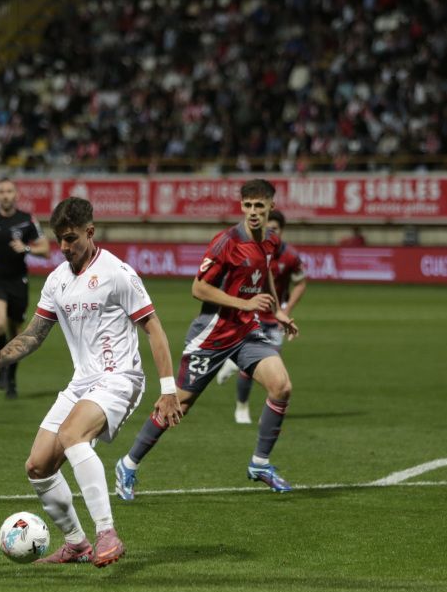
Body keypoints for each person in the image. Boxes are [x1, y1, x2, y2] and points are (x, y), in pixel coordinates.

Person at [0, 197, 180, 567]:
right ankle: (76, 544)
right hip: (82, 382)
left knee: (73, 434)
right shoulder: (57, 280)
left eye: (71, 238)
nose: (64, 246)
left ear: (90, 232)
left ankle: (107, 533)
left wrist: (168, 391)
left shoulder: (117, 273)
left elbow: (154, 329)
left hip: (119, 378)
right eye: (59, 239)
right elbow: (33, 335)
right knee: (38, 466)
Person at [115, 179, 299, 498]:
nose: (253, 212)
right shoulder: (226, 242)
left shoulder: (270, 240)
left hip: (247, 331)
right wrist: (244, 303)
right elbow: (198, 288)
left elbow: (266, 271)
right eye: (248, 205)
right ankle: (128, 464)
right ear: (241, 206)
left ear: (271, 206)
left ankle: (260, 464)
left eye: (259, 205)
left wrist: (278, 311)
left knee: (281, 387)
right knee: (179, 405)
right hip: (213, 334)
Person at [215, 209, 306, 424]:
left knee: (273, 365)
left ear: (282, 231)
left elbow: (300, 283)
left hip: (274, 319)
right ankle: (242, 407)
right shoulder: (252, 250)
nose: (272, 232)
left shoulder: (290, 256)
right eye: (269, 228)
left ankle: (234, 362)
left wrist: (285, 310)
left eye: (275, 229)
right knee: (253, 365)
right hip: (251, 315)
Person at [0, 178, 49, 399]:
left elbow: (45, 249)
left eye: (9, 191)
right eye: (2, 191)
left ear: (16, 195)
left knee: (16, 335)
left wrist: (26, 248)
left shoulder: (26, 220)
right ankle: (1, 367)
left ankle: (11, 377)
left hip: (17, 282)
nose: (6, 195)